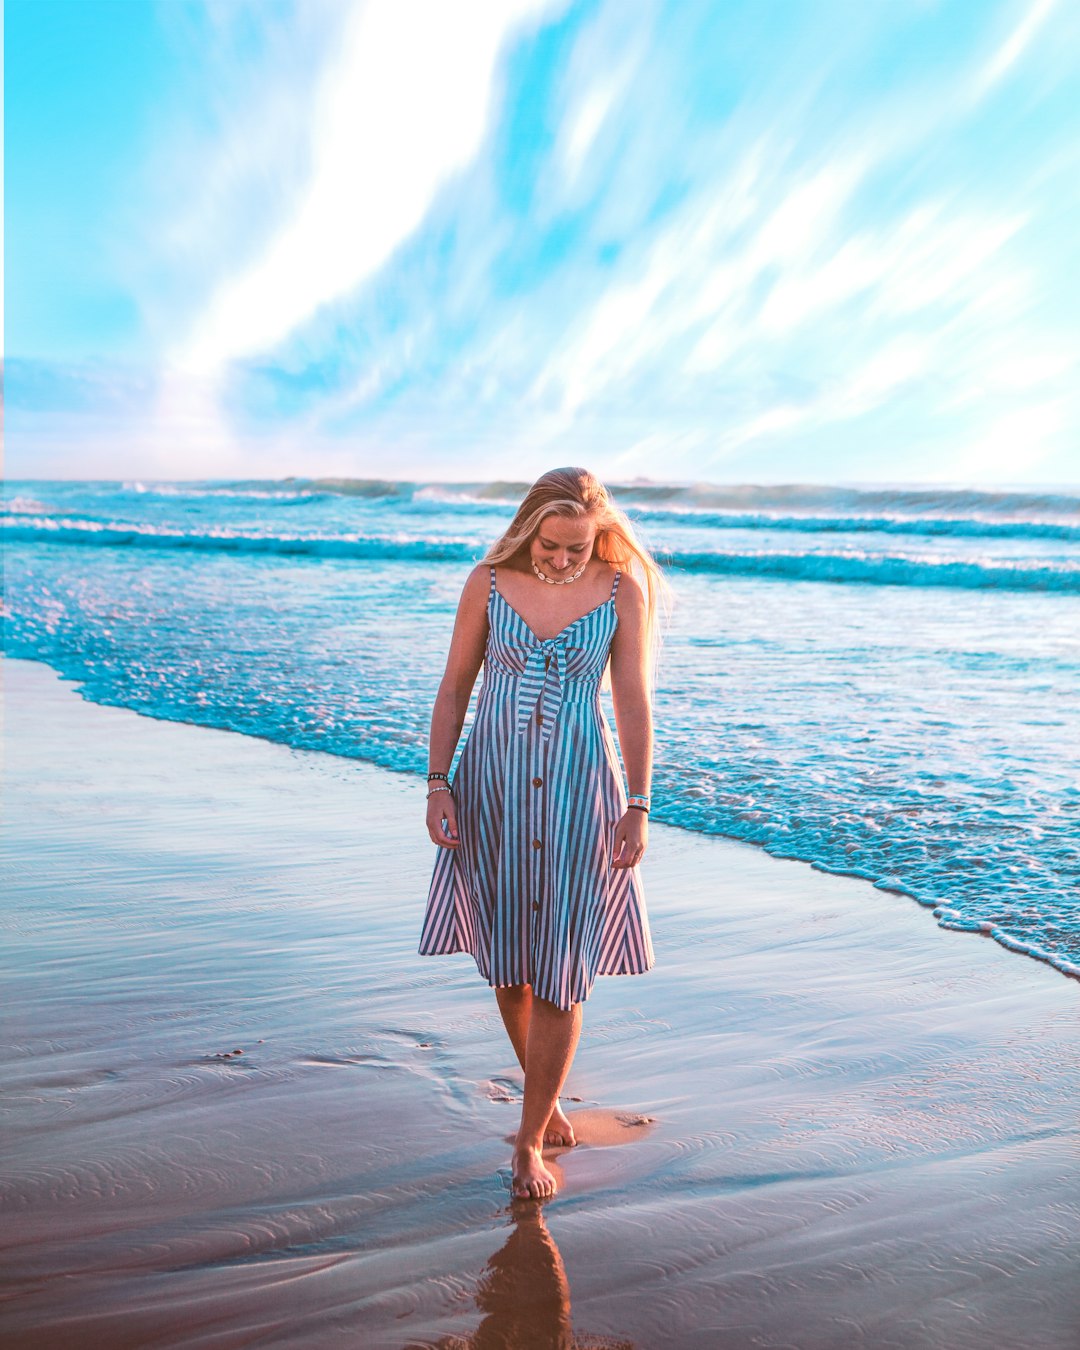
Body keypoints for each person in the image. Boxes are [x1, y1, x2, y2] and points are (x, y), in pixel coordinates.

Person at [419, 467, 667, 1200]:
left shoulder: (622, 592)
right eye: (550, 547)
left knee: (560, 962)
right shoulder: (487, 582)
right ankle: (544, 1096)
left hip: (577, 793)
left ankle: (529, 1142)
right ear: (528, 530)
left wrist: (639, 804)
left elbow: (632, 702)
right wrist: (438, 785)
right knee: (509, 962)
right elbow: (455, 687)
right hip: (491, 787)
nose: (562, 562)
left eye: (577, 550)